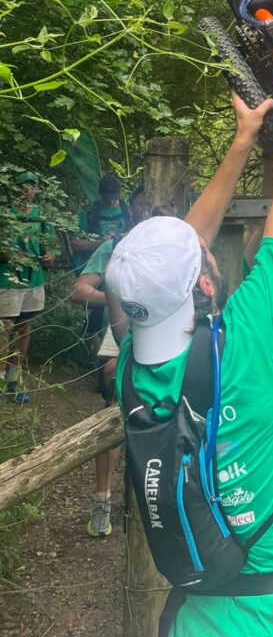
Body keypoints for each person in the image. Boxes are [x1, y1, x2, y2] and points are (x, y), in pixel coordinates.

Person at [105, 51, 273, 637]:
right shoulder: (250, 342)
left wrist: (243, 141)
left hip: (195, 619)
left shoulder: (132, 374)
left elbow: (175, 261)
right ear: (208, 282)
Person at [68, 185, 146, 538]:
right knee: (114, 408)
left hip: (170, 335)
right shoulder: (116, 246)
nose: (146, 214)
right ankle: (102, 502)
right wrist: (120, 303)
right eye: (141, 205)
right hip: (123, 333)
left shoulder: (181, 241)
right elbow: (79, 290)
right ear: (132, 207)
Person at [0, 170, 56, 404]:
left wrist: (48, 259)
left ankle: (14, 380)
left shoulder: (42, 218)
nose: (28, 190)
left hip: (34, 281)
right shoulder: (5, 216)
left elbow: (49, 250)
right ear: (16, 188)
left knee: (24, 329)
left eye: (32, 186)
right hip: (8, 280)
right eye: (24, 185)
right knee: (4, 330)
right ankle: (1, 381)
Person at [71, 173, 132, 356]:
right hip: (94, 266)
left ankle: (107, 354)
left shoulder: (126, 209)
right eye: (108, 199)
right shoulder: (89, 213)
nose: (111, 202)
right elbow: (75, 243)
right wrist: (101, 244)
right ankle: (98, 352)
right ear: (100, 194)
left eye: (114, 198)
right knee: (95, 309)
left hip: (123, 267)